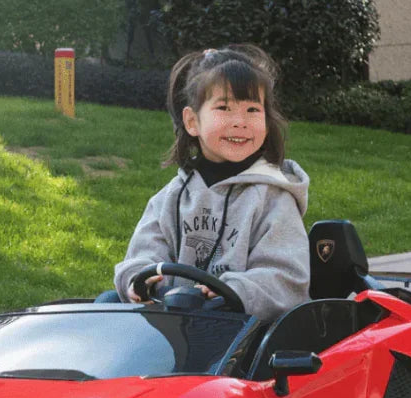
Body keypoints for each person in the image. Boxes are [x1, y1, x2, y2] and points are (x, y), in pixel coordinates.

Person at [111, 45, 310, 322]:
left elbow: (286, 279)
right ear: (192, 121)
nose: (240, 122)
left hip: (240, 335)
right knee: (107, 302)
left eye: (253, 109)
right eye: (224, 108)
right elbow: (141, 256)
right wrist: (136, 280)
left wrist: (233, 291)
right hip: (173, 326)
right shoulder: (171, 197)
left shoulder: (274, 198)